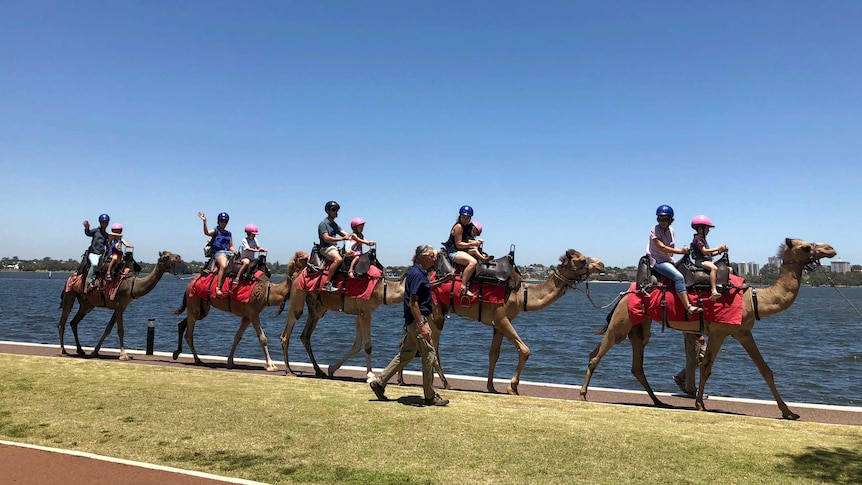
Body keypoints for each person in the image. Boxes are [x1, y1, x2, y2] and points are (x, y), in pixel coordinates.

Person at [369, 244, 449, 406]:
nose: (435, 258)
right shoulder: (418, 275)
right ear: (423, 257)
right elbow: (413, 303)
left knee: (406, 354)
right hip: (418, 321)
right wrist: (422, 324)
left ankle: (379, 383)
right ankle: (429, 395)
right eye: (432, 255)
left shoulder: (416, 272)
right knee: (429, 354)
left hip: (413, 321)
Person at [647, 205, 702, 314]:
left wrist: (684, 250)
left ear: (670, 219)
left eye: (665, 219)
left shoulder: (671, 230)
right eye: (660, 218)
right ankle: (688, 307)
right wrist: (681, 251)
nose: (662, 221)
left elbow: (671, 248)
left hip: (668, 260)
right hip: (658, 261)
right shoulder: (654, 230)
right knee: (678, 277)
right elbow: (662, 248)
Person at [443, 205, 489, 299]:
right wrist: (474, 243)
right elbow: (459, 244)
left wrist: (476, 242)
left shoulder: (466, 227)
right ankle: (463, 286)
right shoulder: (459, 227)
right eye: (464, 217)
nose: (466, 219)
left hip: (460, 249)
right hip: (454, 252)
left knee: (475, 253)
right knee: (473, 262)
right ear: (460, 216)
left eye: (468, 217)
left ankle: (483, 259)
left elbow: (467, 240)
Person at [690, 215, 729, 301]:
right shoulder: (697, 238)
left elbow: (710, 254)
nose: (708, 231)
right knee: (714, 268)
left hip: (706, 260)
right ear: (700, 228)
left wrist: (720, 251)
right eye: (707, 229)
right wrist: (718, 248)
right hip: (700, 261)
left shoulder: (702, 239)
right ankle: (713, 290)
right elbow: (704, 251)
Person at [318, 201, 353, 291]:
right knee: (338, 259)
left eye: (336, 210)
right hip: (326, 248)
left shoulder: (334, 225)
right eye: (333, 210)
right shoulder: (323, 224)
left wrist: (354, 236)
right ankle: (327, 283)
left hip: (334, 247)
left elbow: (344, 234)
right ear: (328, 211)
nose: (336, 212)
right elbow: (326, 238)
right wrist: (341, 239)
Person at [200, 211, 235, 298]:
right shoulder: (215, 231)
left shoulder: (229, 233)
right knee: (223, 266)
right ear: (218, 221)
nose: (224, 223)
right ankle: (218, 288)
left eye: (225, 221)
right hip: (219, 252)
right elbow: (206, 232)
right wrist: (204, 221)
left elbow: (231, 246)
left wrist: (236, 253)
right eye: (222, 221)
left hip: (228, 252)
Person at [83, 213, 111, 291]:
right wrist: (87, 228)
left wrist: (109, 255)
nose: (104, 224)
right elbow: (88, 233)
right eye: (103, 222)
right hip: (93, 253)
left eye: (106, 222)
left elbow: (108, 247)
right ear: (100, 222)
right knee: (94, 264)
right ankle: (89, 283)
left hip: (101, 255)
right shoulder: (96, 231)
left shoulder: (107, 235)